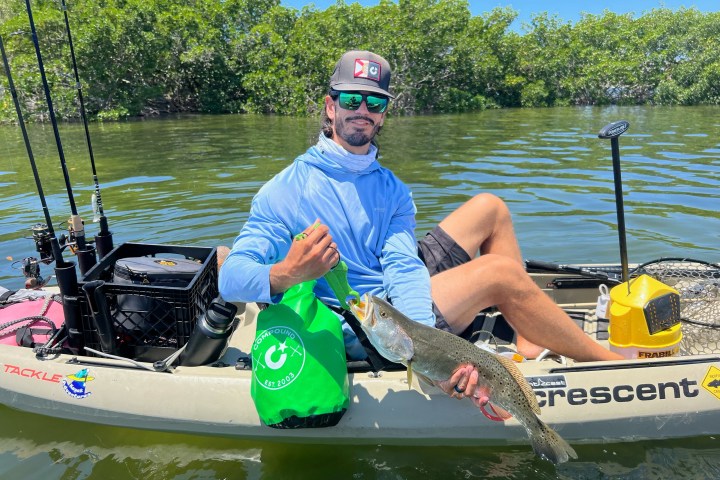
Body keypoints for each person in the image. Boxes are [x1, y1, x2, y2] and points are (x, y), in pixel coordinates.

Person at [219, 50, 623, 407]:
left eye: (374, 101)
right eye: (351, 98)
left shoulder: (391, 188)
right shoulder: (284, 191)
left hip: (397, 296)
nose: (362, 109)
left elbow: (402, 264)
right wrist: (288, 273)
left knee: (490, 208)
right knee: (498, 273)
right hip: (363, 321)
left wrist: (423, 334)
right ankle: (613, 367)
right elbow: (232, 278)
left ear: (383, 113)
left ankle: (529, 339)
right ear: (330, 106)